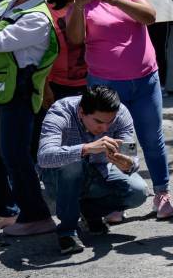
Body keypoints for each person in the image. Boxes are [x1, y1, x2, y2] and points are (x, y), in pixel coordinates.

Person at [66, 0, 173, 219]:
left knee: (152, 138)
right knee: (117, 141)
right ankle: (120, 197)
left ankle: (161, 192)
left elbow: (149, 17)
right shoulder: (79, 6)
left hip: (145, 79)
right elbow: (75, 38)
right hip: (107, 84)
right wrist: (80, 5)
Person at [37, 87, 148, 253]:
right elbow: (44, 157)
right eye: (99, 122)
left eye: (110, 122)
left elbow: (131, 155)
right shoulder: (60, 111)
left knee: (138, 191)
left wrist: (127, 164)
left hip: (100, 170)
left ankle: (89, 213)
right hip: (59, 179)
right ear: (82, 112)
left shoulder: (122, 113)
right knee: (73, 163)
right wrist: (86, 148)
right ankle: (67, 230)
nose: (105, 128)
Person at [0, 0, 59, 236]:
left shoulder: (36, 18)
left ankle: (37, 215)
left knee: (15, 156)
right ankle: (6, 211)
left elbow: (0, 41)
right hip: (2, 91)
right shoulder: (9, 4)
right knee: (1, 154)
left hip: (19, 96)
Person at [46, 0, 87, 101]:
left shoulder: (91, 5)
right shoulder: (46, 11)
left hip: (92, 82)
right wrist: (45, 88)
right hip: (57, 86)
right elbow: (40, 54)